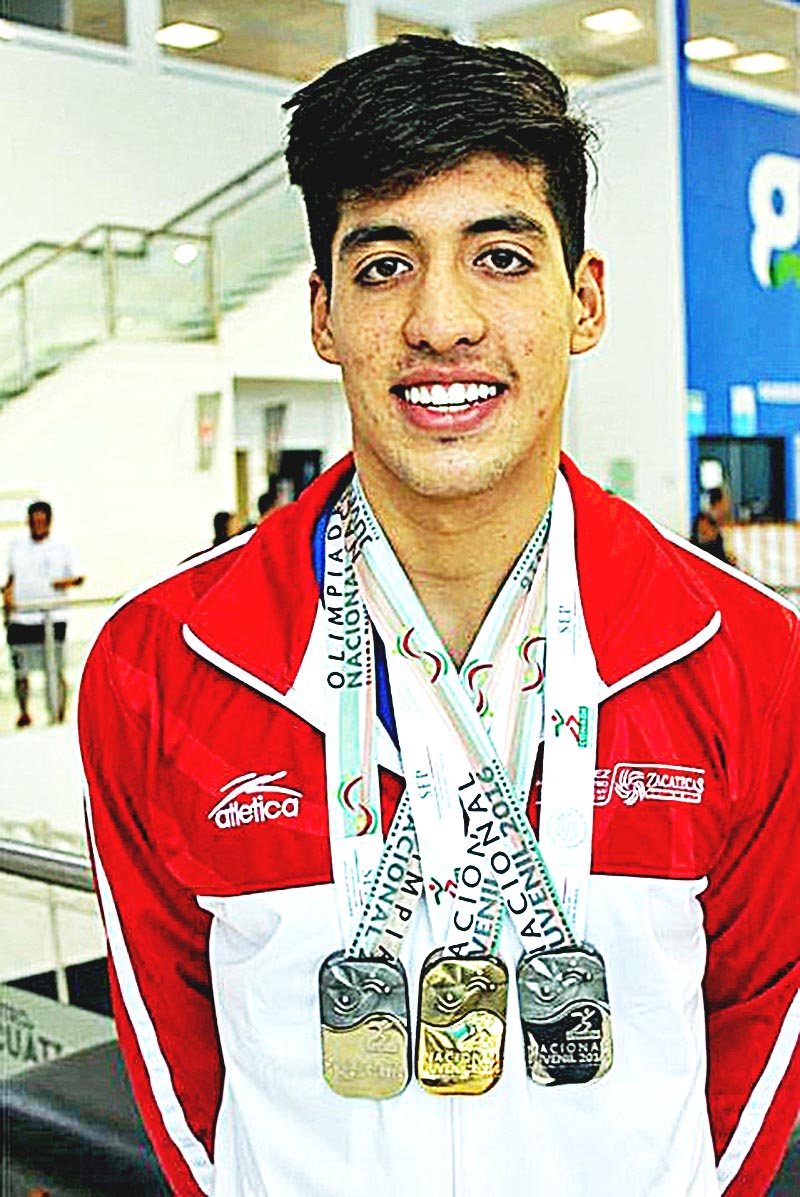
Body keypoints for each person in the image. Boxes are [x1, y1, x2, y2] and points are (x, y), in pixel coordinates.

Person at [78, 37, 799, 1197]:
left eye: (501, 256)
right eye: (381, 268)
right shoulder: (164, 664)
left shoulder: (747, 661)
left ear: (583, 300)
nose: (441, 322)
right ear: (321, 314)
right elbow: (178, 1069)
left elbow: (760, 1040)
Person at [4, 500, 84, 727]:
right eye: (34, 521)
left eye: (42, 521)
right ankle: (24, 711)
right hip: (21, 620)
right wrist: (8, 600)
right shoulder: (16, 546)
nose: (38, 525)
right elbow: (8, 578)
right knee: (21, 670)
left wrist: (59, 583)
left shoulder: (62, 546)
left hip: (52, 619)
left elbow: (78, 576)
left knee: (55, 669)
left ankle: (58, 712)